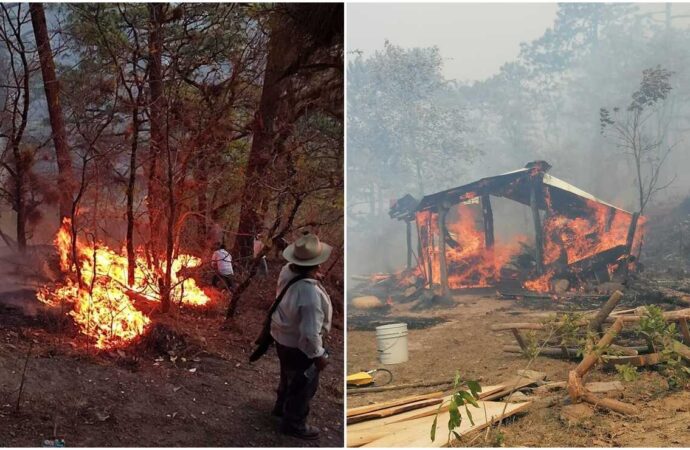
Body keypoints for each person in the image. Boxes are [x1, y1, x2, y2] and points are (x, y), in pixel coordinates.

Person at [270, 232, 333, 440]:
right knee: (304, 385)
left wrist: (311, 276)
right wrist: (318, 355)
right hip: (299, 346)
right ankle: (294, 424)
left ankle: (280, 408)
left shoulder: (287, 271)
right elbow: (309, 333)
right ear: (316, 265)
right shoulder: (310, 295)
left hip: (282, 338)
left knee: (288, 376)